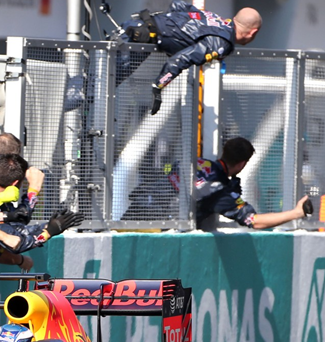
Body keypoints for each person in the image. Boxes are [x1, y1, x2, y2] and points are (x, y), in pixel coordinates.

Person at [114, 1, 262, 114]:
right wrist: (158, 86)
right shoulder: (222, 41)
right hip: (136, 39)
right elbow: (181, 59)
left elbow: (178, 5)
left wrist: (171, 34)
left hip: (137, 28)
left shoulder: (213, 18)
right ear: (253, 33)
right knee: (103, 86)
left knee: (101, 83)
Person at [194, 137, 313, 230]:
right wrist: (297, 212)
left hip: (176, 220)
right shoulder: (220, 193)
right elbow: (254, 221)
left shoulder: (196, 162)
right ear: (242, 164)